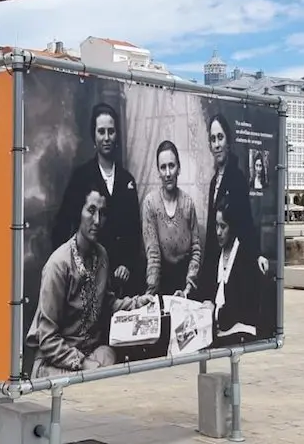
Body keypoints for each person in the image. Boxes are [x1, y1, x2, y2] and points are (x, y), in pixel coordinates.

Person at [27, 189, 154, 378]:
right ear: (79, 212)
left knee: (113, 361)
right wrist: (84, 364)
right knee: (98, 380)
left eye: (102, 214)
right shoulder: (59, 265)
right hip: (55, 360)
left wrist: (138, 303)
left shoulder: (101, 255)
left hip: (90, 352)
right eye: (91, 210)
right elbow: (47, 339)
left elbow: (107, 302)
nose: (97, 220)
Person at [52, 103, 143, 296]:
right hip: (90, 279)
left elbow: (135, 230)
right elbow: (62, 225)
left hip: (123, 280)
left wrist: (126, 264)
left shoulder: (127, 180)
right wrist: (77, 267)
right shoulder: (81, 177)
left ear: (117, 135)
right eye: (101, 132)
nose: (107, 137)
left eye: (111, 131)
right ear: (94, 136)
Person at [198, 114, 268, 296]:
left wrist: (257, 254)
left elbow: (246, 222)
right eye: (213, 139)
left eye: (220, 137)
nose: (217, 144)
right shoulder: (214, 181)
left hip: (234, 262)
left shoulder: (237, 178)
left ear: (228, 141)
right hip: (216, 258)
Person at [198, 200, 263, 348]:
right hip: (219, 332)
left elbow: (244, 304)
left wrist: (215, 310)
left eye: (223, 226)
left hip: (240, 332)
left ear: (233, 227)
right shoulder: (215, 255)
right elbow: (204, 290)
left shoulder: (246, 257)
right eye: (216, 225)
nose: (218, 232)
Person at [142, 140, 202, 297]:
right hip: (161, 284)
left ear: (179, 168)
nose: (168, 173)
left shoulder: (188, 203)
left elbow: (196, 250)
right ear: (158, 172)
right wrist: (152, 292)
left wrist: (188, 289)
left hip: (187, 285)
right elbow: (153, 253)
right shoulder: (150, 203)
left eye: (171, 166)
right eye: (163, 167)